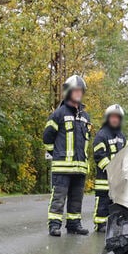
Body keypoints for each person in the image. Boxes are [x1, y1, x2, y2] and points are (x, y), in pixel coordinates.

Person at [42, 74, 92, 236]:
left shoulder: (85, 117)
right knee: (58, 198)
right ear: (68, 92)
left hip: (80, 167)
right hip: (62, 166)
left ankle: (73, 224)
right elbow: (47, 138)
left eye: (81, 91)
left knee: (76, 200)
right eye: (75, 90)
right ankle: (54, 225)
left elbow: (86, 140)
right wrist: (56, 153)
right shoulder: (59, 114)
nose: (78, 93)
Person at [91, 104, 126, 230]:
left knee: (116, 203)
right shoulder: (101, 135)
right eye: (112, 117)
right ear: (108, 118)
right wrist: (111, 169)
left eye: (117, 117)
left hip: (117, 179)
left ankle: (114, 225)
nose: (115, 119)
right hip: (104, 179)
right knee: (103, 202)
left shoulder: (122, 137)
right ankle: (100, 224)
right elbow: (99, 155)